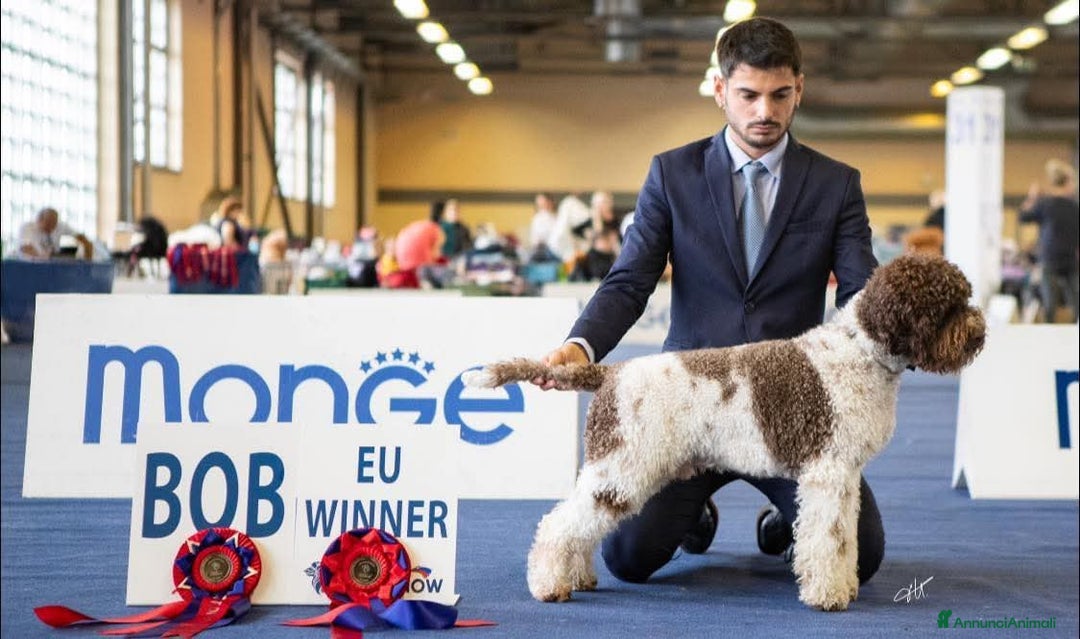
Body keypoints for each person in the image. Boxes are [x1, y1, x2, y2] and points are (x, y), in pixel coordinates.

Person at [531, 17, 884, 588]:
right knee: (627, 559)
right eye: (747, 95)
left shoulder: (836, 184)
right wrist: (581, 345)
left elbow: (859, 295)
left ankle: (782, 521)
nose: (763, 111)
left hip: (791, 413)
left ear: (800, 88)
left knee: (863, 558)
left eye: (779, 95)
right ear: (721, 91)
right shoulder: (671, 174)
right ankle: (694, 514)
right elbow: (629, 282)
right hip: (684, 408)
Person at [1019, 158, 1080, 323]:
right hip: (1052, 261)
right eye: (1072, 181)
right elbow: (1023, 217)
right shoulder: (1047, 204)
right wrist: (1033, 197)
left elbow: (1023, 215)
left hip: (1065, 261)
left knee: (1062, 305)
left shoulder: (1072, 206)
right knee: (1052, 305)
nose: (1073, 185)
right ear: (1067, 182)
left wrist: (1031, 198)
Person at [16, 207, 94, 260]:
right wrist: (44, 257)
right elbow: (25, 248)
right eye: (48, 224)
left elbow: (83, 239)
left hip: (53, 267)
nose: (51, 228)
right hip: (31, 266)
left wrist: (88, 261)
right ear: (39, 220)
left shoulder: (61, 227)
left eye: (54, 224)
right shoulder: (27, 228)